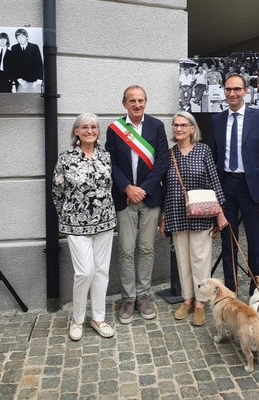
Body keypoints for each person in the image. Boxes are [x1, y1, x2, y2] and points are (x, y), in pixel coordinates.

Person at [105, 85, 169, 325]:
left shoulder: (156, 126)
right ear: (124, 104)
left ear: (145, 103)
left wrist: (144, 189)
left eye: (141, 100)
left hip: (149, 197)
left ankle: (143, 295)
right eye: (132, 101)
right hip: (125, 197)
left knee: (146, 249)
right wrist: (127, 188)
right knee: (125, 249)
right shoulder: (115, 129)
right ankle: (128, 298)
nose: (137, 104)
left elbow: (162, 160)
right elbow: (110, 162)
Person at [158, 111, 229, 326]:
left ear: (192, 128)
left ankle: (200, 302)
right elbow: (165, 188)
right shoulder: (169, 154)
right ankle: (187, 299)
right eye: (175, 125)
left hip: (202, 213)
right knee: (183, 259)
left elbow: (215, 182)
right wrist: (163, 217)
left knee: (200, 259)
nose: (178, 129)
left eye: (183, 125)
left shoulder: (203, 151)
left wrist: (220, 213)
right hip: (177, 213)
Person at [51, 113, 117, 341]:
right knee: (84, 272)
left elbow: (110, 188)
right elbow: (57, 192)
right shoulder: (66, 158)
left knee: (101, 272)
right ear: (76, 131)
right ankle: (77, 318)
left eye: (94, 127)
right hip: (76, 224)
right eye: (85, 127)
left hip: (105, 222)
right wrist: (70, 215)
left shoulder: (105, 156)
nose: (90, 130)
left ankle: (98, 318)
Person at [211, 73, 259, 296]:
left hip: (253, 189)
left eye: (237, 89)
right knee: (228, 243)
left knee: (255, 244)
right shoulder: (217, 120)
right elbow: (216, 156)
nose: (232, 93)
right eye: (228, 89)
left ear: (245, 92)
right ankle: (231, 291)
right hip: (226, 186)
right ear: (224, 91)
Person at [6, 28, 43, 93]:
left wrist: (38, 81)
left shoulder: (34, 47)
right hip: (20, 81)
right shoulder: (14, 48)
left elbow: (39, 64)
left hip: (34, 82)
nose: (20, 39)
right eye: (18, 37)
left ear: (27, 37)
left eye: (22, 36)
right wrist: (20, 80)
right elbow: (13, 66)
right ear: (16, 39)